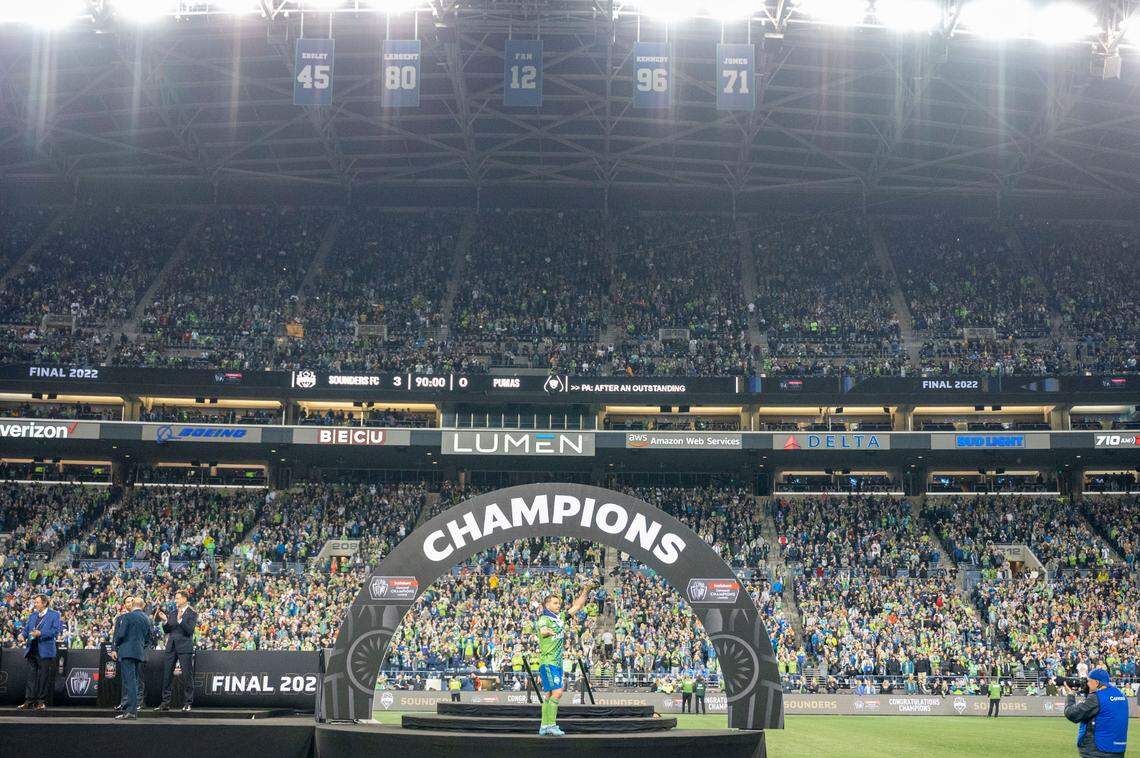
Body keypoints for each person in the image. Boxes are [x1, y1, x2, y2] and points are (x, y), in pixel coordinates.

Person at [535, 583, 592, 736]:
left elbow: (578, 606)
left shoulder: (560, 617)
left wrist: (585, 590)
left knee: (549, 695)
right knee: (558, 693)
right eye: (555, 603)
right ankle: (552, 725)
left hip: (557, 663)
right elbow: (543, 631)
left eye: (559, 603)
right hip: (549, 662)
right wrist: (551, 631)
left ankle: (544, 726)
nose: (558, 605)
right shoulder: (544, 618)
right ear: (547, 605)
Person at [1065, 669, 1129, 758]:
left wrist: (1070, 695)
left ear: (1096, 682)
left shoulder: (1097, 697)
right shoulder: (1121, 695)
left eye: (1089, 681)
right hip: (1118, 749)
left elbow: (1072, 714)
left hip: (1097, 750)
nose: (1087, 684)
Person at [17, 594, 62, 711]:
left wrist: (41, 633)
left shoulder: (54, 615)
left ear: (44, 603)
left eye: (37, 602)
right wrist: (22, 635)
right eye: (35, 602)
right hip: (32, 649)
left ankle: (41, 702)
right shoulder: (33, 615)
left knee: (43, 677)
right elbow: (27, 630)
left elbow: (55, 631)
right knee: (31, 677)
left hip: (45, 650)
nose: (35, 604)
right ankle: (29, 701)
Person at [112, 597, 153, 720]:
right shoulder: (147, 619)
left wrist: (117, 644)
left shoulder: (128, 617)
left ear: (133, 604)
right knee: (133, 682)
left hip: (127, 652)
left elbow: (121, 634)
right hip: (139, 653)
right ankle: (132, 710)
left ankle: (130, 712)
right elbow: (148, 638)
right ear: (142, 605)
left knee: (129, 683)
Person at [156, 589, 197, 712]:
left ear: (184, 599)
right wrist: (165, 621)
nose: (176, 600)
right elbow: (168, 630)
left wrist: (180, 620)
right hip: (171, 647)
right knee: (167, 675)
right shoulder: (173, 612)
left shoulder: (192, 613)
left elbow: (190, 630)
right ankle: (165, 703)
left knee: (186, 676)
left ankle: (188, 703)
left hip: (185, 647)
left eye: (178, 598)